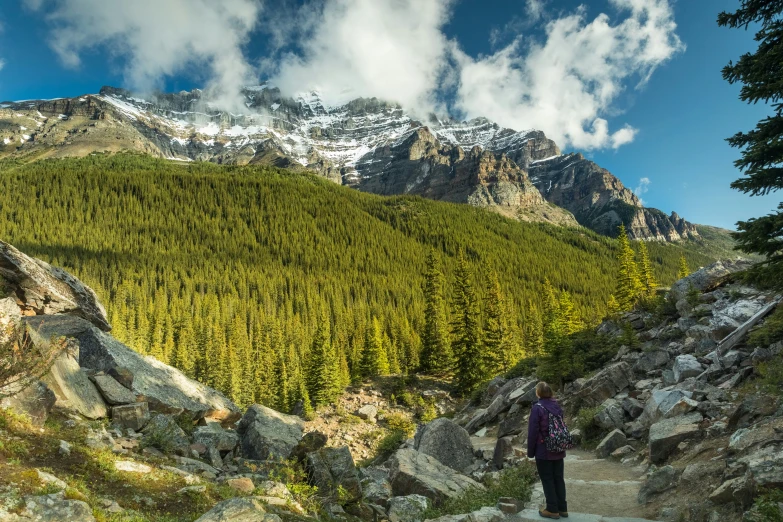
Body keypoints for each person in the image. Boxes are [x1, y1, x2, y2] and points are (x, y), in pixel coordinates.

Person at [527, 381, 568, 519]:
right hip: (558, 448)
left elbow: (533, 432)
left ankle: (552, 509)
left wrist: (531, 452)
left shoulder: (537, 408)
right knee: (558, 479)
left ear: (538, 393)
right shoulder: (556, 406)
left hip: (544, 450)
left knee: (547, 479)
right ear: (550, 392)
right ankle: (563, 509)